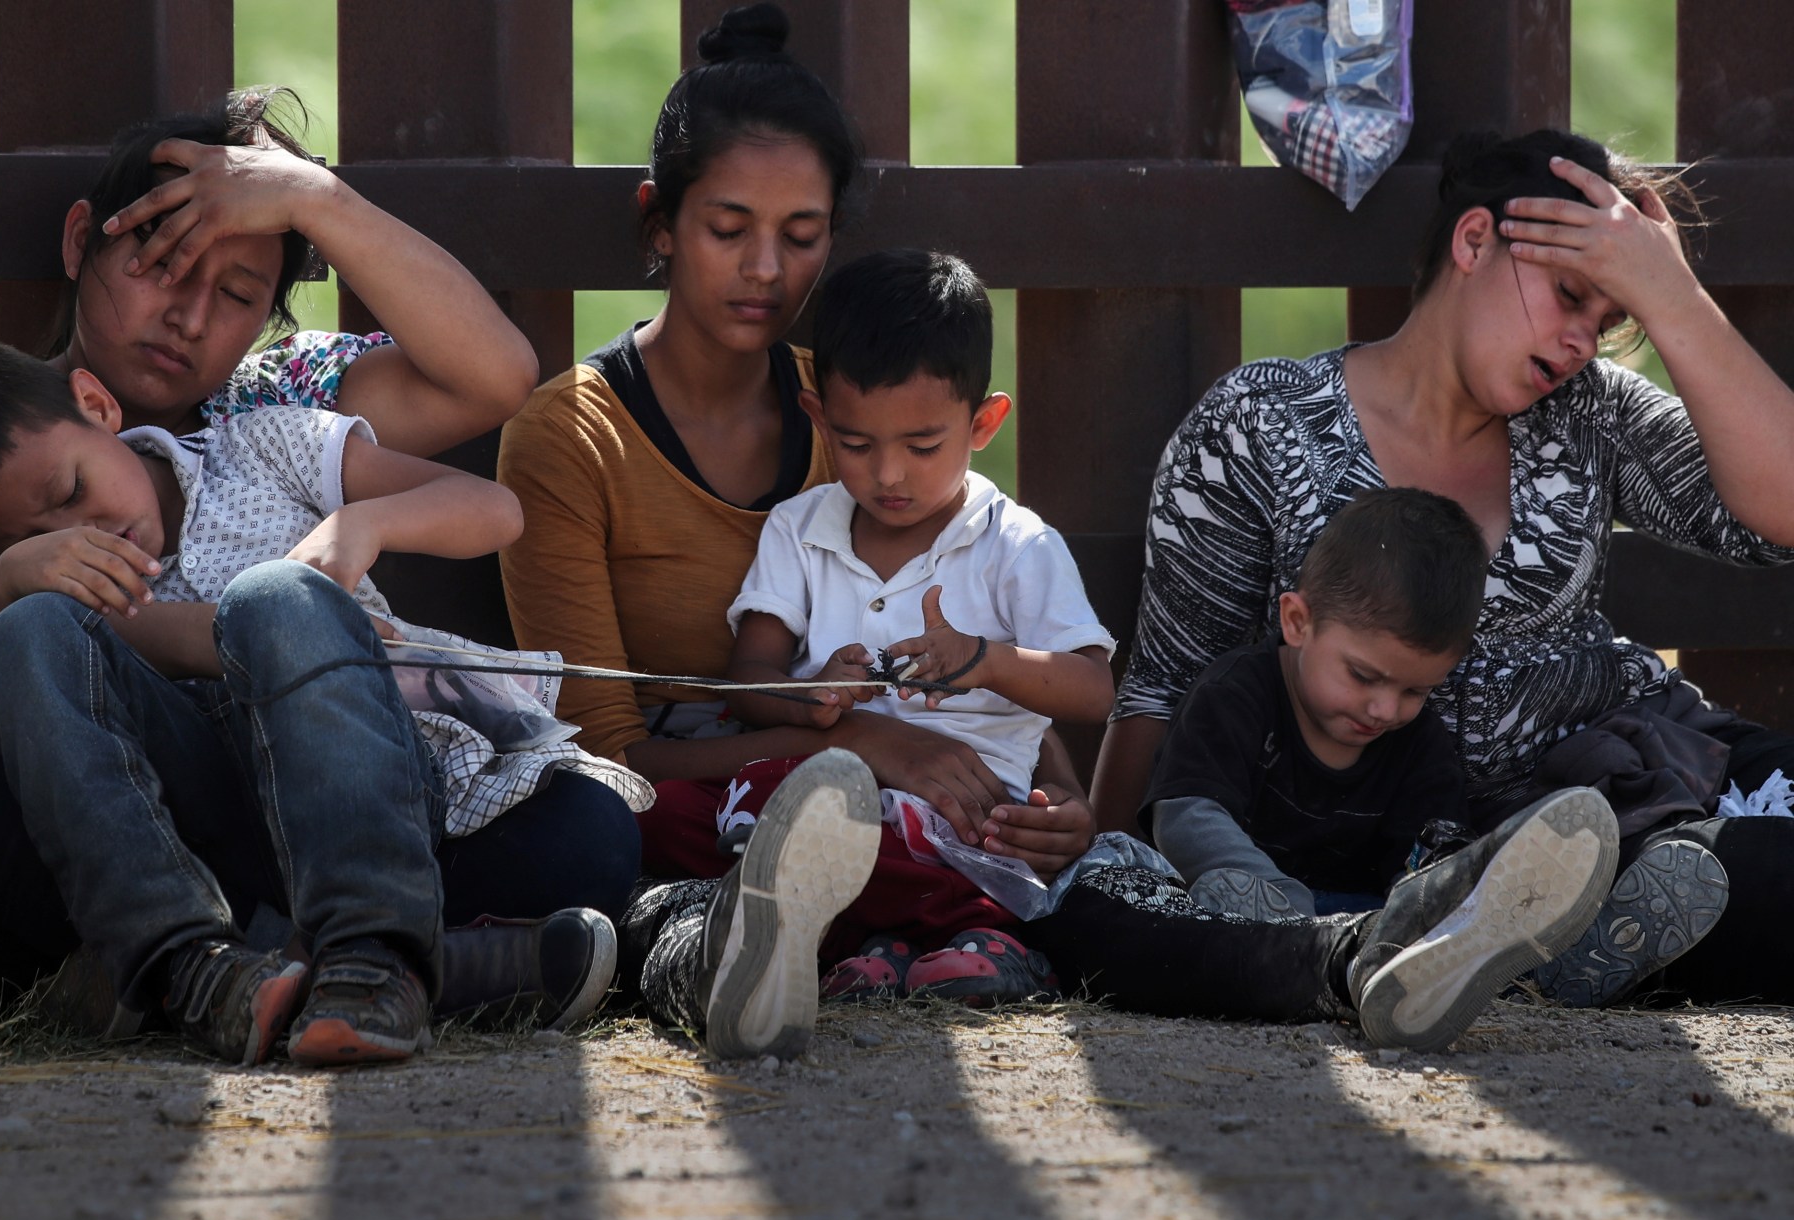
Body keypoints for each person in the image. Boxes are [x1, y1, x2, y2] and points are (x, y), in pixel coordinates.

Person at [0, 91, 644, 1029]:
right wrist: (252, 625)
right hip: (117, 816)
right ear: (83, 241)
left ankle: (290, 968)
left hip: (321, 800)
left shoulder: (272, 407)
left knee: (586, 836)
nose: (188, 318)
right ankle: (398, 966)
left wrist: (313, 199)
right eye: (160, 265)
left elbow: (496, 377)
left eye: (238, 295)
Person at [498, 5, 1104, 1060]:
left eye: (803, 235)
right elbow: (603, 746)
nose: (767, 270)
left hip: (889, 779)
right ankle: (747, 933)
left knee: (962, 830)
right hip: (676, 798)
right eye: (728, 229)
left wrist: (1056, 795)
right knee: (590, 829)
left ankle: (865, 924)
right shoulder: (571, 437)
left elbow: (982, 619)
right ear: (659, 223)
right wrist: (852, 740)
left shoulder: (864, 419)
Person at [1088, 128, 1794, 1008]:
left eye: (1610, 321)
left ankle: (1585, 933)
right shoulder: (1260, 428)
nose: (1581, 341)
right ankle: (1533, 938)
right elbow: (1166, 688)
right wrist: (1107, 869)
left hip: (1648, 770)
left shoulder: (1592, 414)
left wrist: (1675, 297)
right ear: (1473, 242)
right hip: (1458, 851)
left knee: (1739, 866)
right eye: (1570, 294)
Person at [717, 248, 1116, 1003]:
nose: (888, 475)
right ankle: (889, 943)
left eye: (923, 446)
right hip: (833, 793)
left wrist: (987, 661)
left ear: (985, 422)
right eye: (857, 444)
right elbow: (747, 683)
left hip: (966, 816)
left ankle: (982, 937)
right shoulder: (799, 530)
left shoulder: (1015, 546)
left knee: (923, 844)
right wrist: (809, 697)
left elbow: (1094, 688)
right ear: (818, 420)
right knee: (707, 808)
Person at [1148, 487, 1486, 922]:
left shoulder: (1418, 743)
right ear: (1297, 622)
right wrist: (1279, 903)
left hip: (1358, 929)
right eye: (1363, 676)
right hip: (1232, 920)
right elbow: (1185, 818)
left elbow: (1429, 865)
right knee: (1127, 900)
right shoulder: (1235, 695)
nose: (1385, 710)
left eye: (1415, 692)